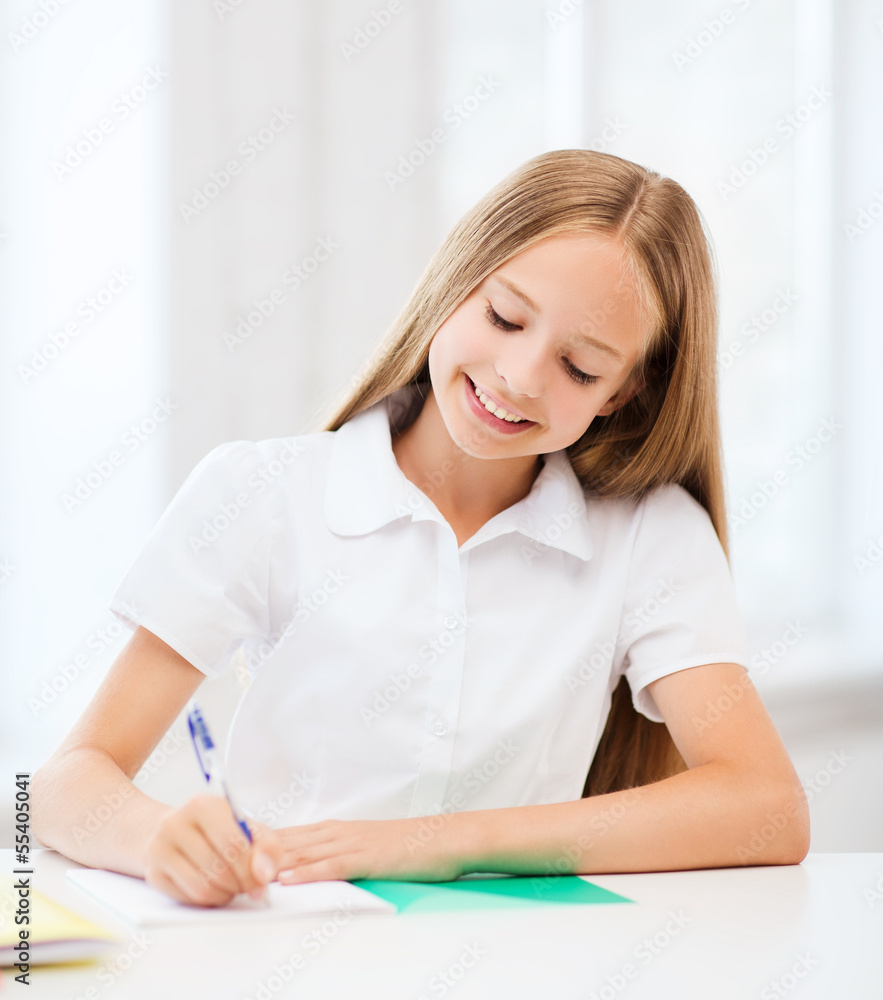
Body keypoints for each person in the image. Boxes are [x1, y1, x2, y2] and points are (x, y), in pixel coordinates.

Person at [31, 149, 810, 908]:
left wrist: (441, 841)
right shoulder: (262, 491)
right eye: (504, 317)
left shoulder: (649, 535)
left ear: (621, 393)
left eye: (579, 368)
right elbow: (68, 783)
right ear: (455, 283)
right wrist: (157, 839)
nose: (518, 376)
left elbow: (765, 806)